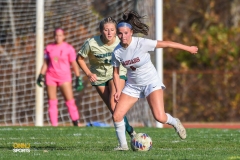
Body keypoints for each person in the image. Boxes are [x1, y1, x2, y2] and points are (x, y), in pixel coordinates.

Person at [111, 10, 198, 150]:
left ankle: (174, 122)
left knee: (159, 117)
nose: (123, 36)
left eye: (125, 33)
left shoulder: (142, 43)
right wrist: (117, 90)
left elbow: (167, 44)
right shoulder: (117, 52)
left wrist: (188, 48)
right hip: (133, 86)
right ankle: (123, 146)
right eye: (120, 33)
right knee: (117, 115)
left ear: (131, 32)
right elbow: (115, 73)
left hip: (151, 82)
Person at [76, 17, 136, 141]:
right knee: (113, 109)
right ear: (101, 31)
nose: (109, 33)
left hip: (117, 73)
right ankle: (130, 129)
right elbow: (79, 58)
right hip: (99, 77)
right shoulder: (91, 43)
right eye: (106, 30)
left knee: (115, 103)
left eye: (112, 30)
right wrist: (88, 73)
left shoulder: (121, 41)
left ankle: (124, 142)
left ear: (116, 31)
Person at [37, 28, 84, 127]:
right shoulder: (49, 48)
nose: (58, 37)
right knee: (52, 102)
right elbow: (46, 63)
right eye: (56, 35)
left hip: (64, 77)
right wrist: (41, 74)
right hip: (51, 76)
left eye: (60, 35)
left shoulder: (68, 48)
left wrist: (78, 77)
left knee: (70, 101)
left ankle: (76, 122)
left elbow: (74, 64)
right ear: (54, 36)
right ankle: (54, 125)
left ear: (64, 36)